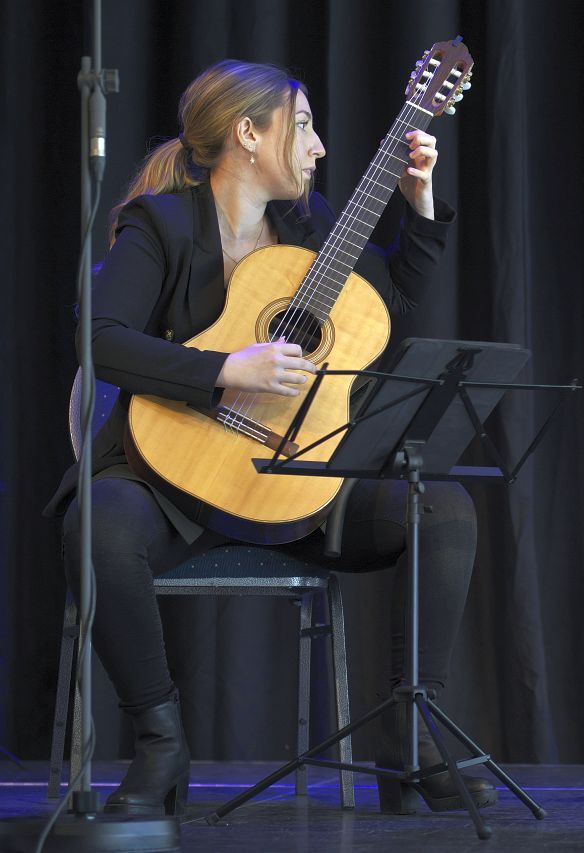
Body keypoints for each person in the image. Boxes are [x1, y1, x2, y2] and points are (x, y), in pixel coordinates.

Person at [45, 60, 494, 817]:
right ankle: (161, 744)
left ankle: (412, 743)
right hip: (175, 478)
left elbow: (384, 305)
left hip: (297, 483)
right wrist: (227, 368)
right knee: (99, 521)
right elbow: (100, 338)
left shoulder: (309, 223)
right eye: (304, 126)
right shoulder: (162, 223)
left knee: (442, 506)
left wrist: (417, 207)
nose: (319, 147)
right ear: (248, 134)